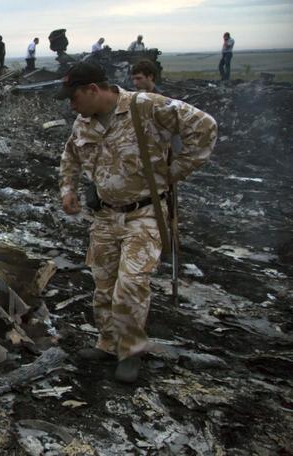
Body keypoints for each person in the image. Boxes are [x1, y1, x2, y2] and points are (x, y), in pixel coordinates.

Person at [57, 62, 217, 383]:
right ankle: (107, 343)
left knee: (130, 284)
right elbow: (71, 155)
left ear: (93, 90)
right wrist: (68, 189)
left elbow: (205, 126)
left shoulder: (145, 106)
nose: (70, 104)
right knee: (103, 283)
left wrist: (176, 171)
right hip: (104, 214)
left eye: (74, 97)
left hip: (144, 212)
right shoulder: (83, 121)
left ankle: (130, 351)